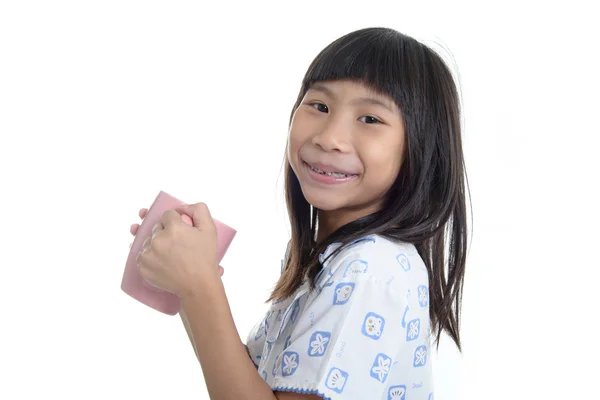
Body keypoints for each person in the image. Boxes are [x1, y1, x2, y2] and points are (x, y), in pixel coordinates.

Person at [130, 26, 469, 400]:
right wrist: (189, 280)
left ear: (422, 148)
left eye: (370, 119)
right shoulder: (329, 257)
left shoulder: (370, 270)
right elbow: (248, 385)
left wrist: (200, 287)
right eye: (319, 106)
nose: (329, 137)